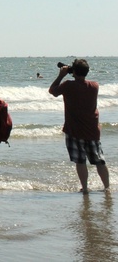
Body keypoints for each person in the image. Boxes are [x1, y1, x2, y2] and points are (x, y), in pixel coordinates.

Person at [48, 59, 110, 193]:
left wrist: (61, 75)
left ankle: (85, 188)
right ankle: (107, 187)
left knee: (80, 161)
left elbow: (52, 91)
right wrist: (73, 72)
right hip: (92, 130)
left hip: (74, 130)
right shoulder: (94, 86)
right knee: (99, 160)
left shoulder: (68, 85)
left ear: (74, 71)